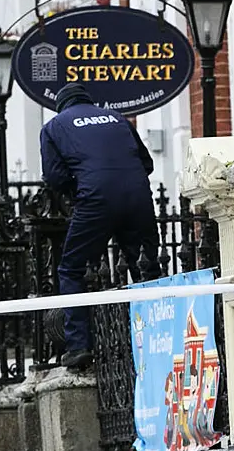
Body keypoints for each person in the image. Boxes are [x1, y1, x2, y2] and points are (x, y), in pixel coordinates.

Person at [40, 83, 162, 370]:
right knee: (146, 266)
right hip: (137, 195)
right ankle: (160, 336)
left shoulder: (54, 127)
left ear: (62, 105)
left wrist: (79, 190)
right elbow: (147, 163)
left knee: (72, 268)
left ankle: (79, 346)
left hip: (95, 198)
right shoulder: (117, 118)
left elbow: (55, 177)